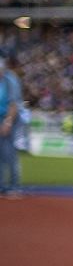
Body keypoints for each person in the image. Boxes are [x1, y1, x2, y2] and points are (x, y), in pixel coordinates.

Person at [0, 52, 22, 198]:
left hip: (10, 119)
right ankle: (1, 186)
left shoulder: (10, 80)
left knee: (10, 153)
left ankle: (14, 186)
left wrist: (7, 123)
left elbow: (14, 104)